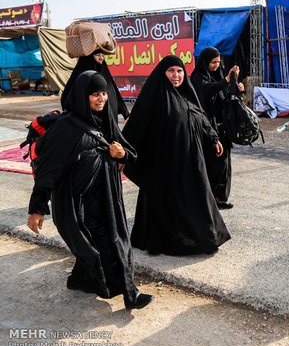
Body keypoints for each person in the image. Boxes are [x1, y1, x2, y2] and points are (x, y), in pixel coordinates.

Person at [27, 70, 153, 309]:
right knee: (102, 244)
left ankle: (118, 290)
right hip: (79, 201)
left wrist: (122, 154)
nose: (101, 99)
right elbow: (48, 171)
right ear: (82, 96)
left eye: (104, 93)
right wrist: (37, 209)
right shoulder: (65, 128)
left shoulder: (105, 120)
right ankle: (124, 291)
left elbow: (131, 153)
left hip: (107, 195)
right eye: (94, 94)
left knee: (114, 242)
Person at [122, 55, 231, 256]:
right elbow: (136, 127)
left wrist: (213, 138)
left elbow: (200, 116)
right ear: (163, 73)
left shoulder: (187, 94)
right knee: (171, 203)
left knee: (198, 197)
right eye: (171, 70)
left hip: (192, 159)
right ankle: (181, 241)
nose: (176, 75)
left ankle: (206, 237)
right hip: (166, 164)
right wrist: (124, 155)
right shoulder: (155, 98)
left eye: (179, 71)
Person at [191, 47, 245, 210]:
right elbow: (208, 90)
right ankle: (206, 198)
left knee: (224, 164)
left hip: (222, 127)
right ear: (205, 61)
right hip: (206, 127)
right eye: (213, 62)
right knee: (211, 164)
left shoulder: (219, 76)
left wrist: (237, 87)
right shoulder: (197, 77)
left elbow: (226, 97)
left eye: (218, 62)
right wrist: (227, 80)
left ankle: (220, 197)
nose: (215, 65)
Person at [62, 50, 129, 122]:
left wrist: (125, 113)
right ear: (88, 58)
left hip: (109, 121)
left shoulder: (104, 72)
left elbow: (114, 91)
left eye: (102, 55)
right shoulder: (79, 78)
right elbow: (67, 99)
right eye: (97, 55)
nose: (101, 58)